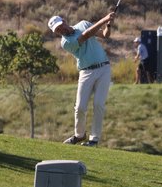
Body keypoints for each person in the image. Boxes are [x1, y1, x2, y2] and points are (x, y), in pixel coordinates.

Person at [47, 10, 116, 147]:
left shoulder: (83, 24)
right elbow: (85, 36)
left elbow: (104, 35)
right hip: (86, 72)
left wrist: (108, 24)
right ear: (56, 32)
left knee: (98, 104)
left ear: (64, 21)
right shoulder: (66, 42)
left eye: (61, 26)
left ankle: (94, 139)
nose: (61, 30)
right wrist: (104, 19)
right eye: (58, 30)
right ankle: (79, 135)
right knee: (80, 107)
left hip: (104, 69)